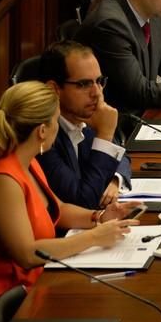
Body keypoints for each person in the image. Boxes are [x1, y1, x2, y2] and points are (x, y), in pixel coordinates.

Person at [0, 81, 139, 306]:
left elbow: (59, 210)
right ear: (42, 131)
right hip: (4, 301)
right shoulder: (2, 180)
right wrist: (94, 237)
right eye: (56, 121)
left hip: (37, 283)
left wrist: (99, 217)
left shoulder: (28, 161)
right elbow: (26, 254)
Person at [36, 41, 132, 209]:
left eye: (99, 81)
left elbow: (121, 156)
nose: (97, 93)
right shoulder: (42, 138)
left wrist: (115, 180)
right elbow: (84, 201)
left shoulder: (84, 117)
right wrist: (104, 135)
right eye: (84, 84)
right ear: (54, 89)